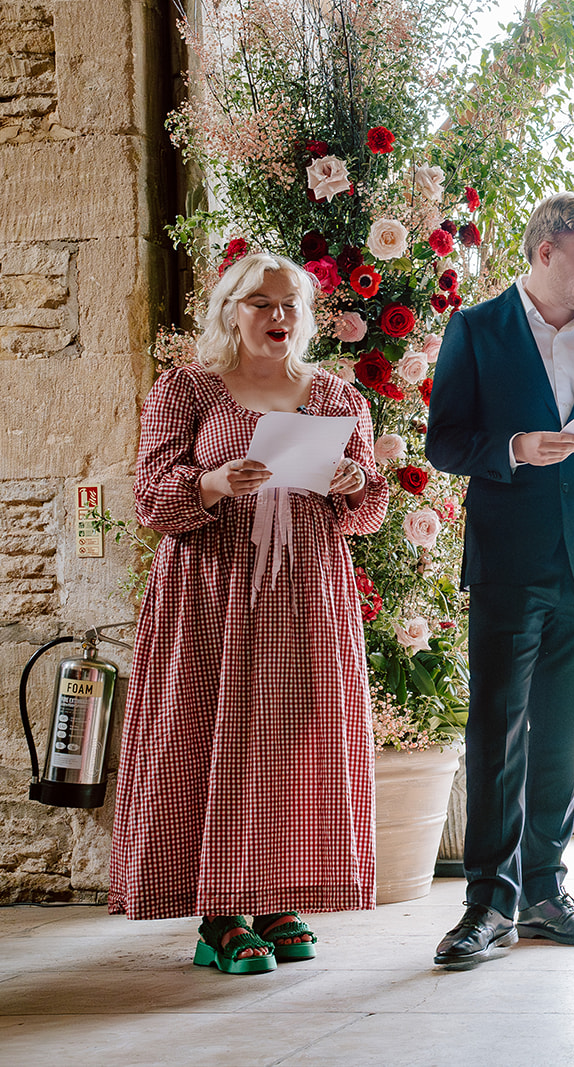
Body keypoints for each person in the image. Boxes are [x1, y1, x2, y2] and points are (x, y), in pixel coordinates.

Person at [109, 252, 388, 974]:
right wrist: (210, 482)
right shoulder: (189, 389)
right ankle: (218, 913)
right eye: (261, 303)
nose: (278, 317)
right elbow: (150, 498)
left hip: (306, 590)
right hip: (210, 588)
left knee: (296, 739)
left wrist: (355, 479)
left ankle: (276, 896)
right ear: (231, 310)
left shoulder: (334, 396)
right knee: (208, 730)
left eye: (290, 304)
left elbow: (366, 514)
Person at [426, 192, 574, 968]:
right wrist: (516, 446)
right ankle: (485, 903)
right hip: (508, 560)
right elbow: (445, 441)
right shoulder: (476, 329)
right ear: (545, 252)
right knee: (497, 730)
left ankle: (545, 892)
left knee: (565, 732)